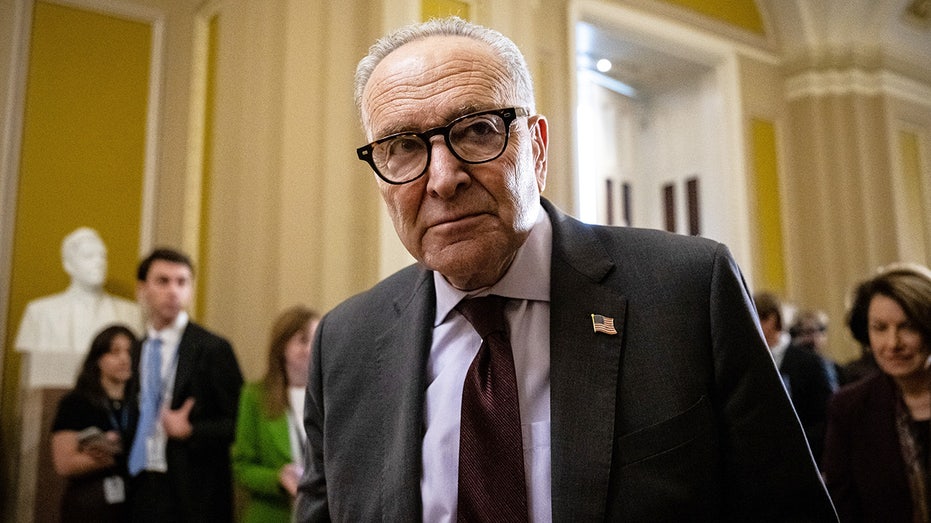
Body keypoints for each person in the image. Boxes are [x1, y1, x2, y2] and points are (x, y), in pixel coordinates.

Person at [294, 16, 836, 521]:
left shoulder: (688, 291)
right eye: (403, 146)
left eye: (478, 130)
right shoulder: (346, 342)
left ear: (538, 148)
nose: (442, 178)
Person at [127, 247, 244, 522]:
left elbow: (239, 422)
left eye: (182, 282)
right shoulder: (135, 349)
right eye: (163, 281)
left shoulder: (213, 348)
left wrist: (191, 431)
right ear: (142, 289)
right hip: (140, 483)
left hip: (193, 489)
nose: (173, 291)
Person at [822, 262, 931, 522]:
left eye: (908, 327)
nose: (892, 344)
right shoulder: (849, 408)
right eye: (880, 328)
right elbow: (843, 508)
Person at [15, 227, 142, 386]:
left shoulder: (131, 313)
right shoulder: (40, 312)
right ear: (68, 264)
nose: (99, 262)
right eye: (89, 256)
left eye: (102, 256)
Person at [232, 305, 320, 522]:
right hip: (271, 513)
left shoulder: (331, 398)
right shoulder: (255, 396)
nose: (310, 349)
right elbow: (242, 467)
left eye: (316, 341)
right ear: (282, 346)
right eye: (302, 340)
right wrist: (278, 478)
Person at [50, 324, 139, 522]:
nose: (125, 359)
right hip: (90, 503)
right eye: (115, 352)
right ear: (98, 359)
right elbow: (64, 464)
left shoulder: (142, 404)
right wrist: (118, 456)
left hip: (136, 503)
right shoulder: (76, 402)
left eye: (130, 352)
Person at [754, 291, 834, 462]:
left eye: (754, 319)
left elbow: (827, 417)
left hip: (805, 459)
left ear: (772, 319)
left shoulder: (810, 362)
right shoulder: (749, 362)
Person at [789, 308, 842, 389]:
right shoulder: (791, 367)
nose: (815, 337)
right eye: (808, 332)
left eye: (820, 330)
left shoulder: (835, 368)